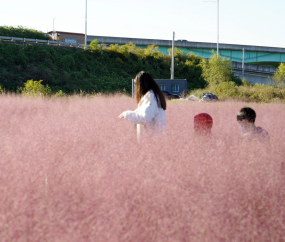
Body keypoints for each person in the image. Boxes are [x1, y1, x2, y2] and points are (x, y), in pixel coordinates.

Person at [118, 71, 167, 143]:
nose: (137, 89)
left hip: (152, 142)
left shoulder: (151, 97)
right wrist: (129, 114)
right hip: (155, 141)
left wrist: (127, 114)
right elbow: (142, 111)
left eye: (137, 85)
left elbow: (145, 118)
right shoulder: (153, 96)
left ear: (142, 85)